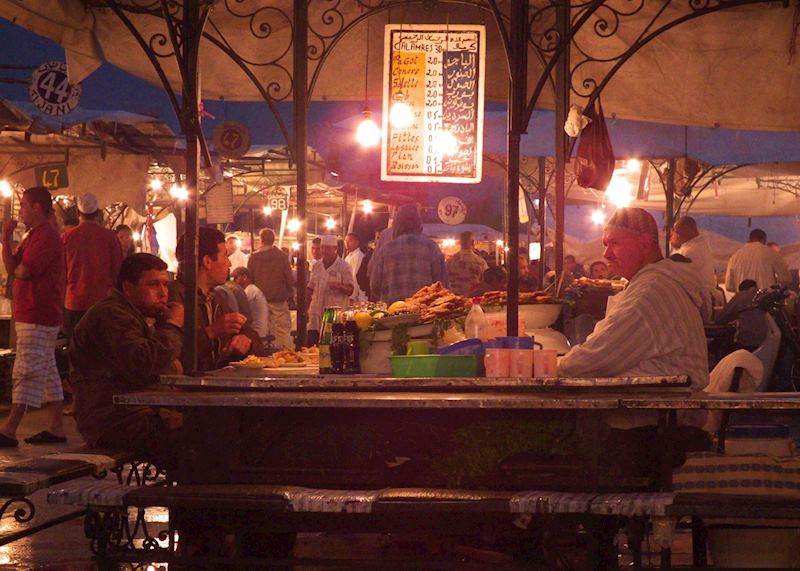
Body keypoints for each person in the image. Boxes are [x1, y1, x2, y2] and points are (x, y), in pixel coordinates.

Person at [558, 207, 709, 405]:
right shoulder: (654, 282)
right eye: (605, 244)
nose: (606, 254)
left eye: (614, 243)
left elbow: (595, 358)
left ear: (645, 242)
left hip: (655, 424)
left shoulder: (651, 291)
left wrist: (548, 366)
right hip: (657, 410)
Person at [69, 253, 184, 464]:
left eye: (165, 285)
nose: (162, 293)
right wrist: (172, 327)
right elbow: (142, 364)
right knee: (200, 442)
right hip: (115, 420)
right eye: (153, 285)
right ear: (128, 288)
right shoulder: (112, 315)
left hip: (140, 413)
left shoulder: (136, 315)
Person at [0, 187, 66, 446]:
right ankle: (56, 427)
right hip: (34, 311)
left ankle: (9, 428)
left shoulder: (46, 237)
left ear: (38, 207)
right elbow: (12, 268)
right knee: (47, 369)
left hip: (38, 311)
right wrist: (6, 238)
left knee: (26, 369)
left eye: (24, 206)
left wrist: (17, 266)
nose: (21, 211)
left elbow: (23, 272)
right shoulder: (34, 236)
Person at [171, 227, 259, 371]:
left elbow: (251, 335)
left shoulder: (216, 298)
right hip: (188, 390)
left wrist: (246, 342)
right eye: (225, 256)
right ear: (207, 262)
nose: (229, 264)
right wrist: (211, 332)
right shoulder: (174, 298)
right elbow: (171, 355)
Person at [62, 193, 123, 341]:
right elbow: (118, 272)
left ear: (78, 213)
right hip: (103, 302)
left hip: (74, 302)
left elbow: (60, 272)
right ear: (98, 213)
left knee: (76, 351)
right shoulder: (110, 237)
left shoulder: (67, 238)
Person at [369, 205, 448, 304]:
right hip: (424, 312)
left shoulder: (385, 250)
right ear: (419, 224)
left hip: (393, 313)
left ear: (396, 225)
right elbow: (442, 285)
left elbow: (374, 286)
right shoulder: (431, 247)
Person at [247, 229, 294, 350]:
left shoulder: (253, 257)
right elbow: (289, 278)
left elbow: (249, 279)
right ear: (273, 240)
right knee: (282, 331)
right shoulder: (282, 256)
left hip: (259, 301)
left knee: (261, 332)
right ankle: (285, 356)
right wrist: (289, 293)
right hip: (278, 301)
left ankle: (261, 356)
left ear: (261, 240)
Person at [308, 235, 354, 343]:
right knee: (313, 347)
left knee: (330, 346)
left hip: (334, 316)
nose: (324, 251)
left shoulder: (344, 266)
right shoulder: (316, 266)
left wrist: (339, 286)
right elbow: (310, 287)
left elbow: (350, 290)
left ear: (335, 249)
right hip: (315, 314)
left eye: (328, 248)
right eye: (322, 247)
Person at [671, 216, 717, 321]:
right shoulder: (698, 246)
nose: (673, 235)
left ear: (681, 233)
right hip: (701, 300)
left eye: (675, 232)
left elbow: (678, 277)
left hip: (698, 303)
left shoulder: (692, 250)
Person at [725, 228, 790, 292]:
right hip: (765, 298)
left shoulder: (735, 257)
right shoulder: (770, 253)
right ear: (764, 240)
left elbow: (729, 286)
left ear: (750, 239)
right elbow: (786, 279)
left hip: (743, 300)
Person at [715, 279, 767, 350]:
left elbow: (721, 318)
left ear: (741, 290)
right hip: (768, 340)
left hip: (748, 342)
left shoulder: (740, 296)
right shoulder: (765, 294)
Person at [446, 231, 489, 296]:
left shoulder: (450, 261)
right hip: (473, 298)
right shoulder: (480, 262)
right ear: (472, 242)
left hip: (454, 298)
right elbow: (485, 282)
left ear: (460, 243)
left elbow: (444, 279)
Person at [232, 267, 269, 339]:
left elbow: (243, 311)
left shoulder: (250, 289)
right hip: (258, 330)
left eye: (235, 277)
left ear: (244, 277)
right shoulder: (252, 289)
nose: (234, 281)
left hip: (257, 332)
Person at [344, 233, 366, 302]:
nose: (347, 243)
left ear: (357, 242)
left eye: (350, 241)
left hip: (356, 296)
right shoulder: (348, 256)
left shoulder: (358, 256)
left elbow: (355, 277)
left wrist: (353, 296)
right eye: (345, 241)